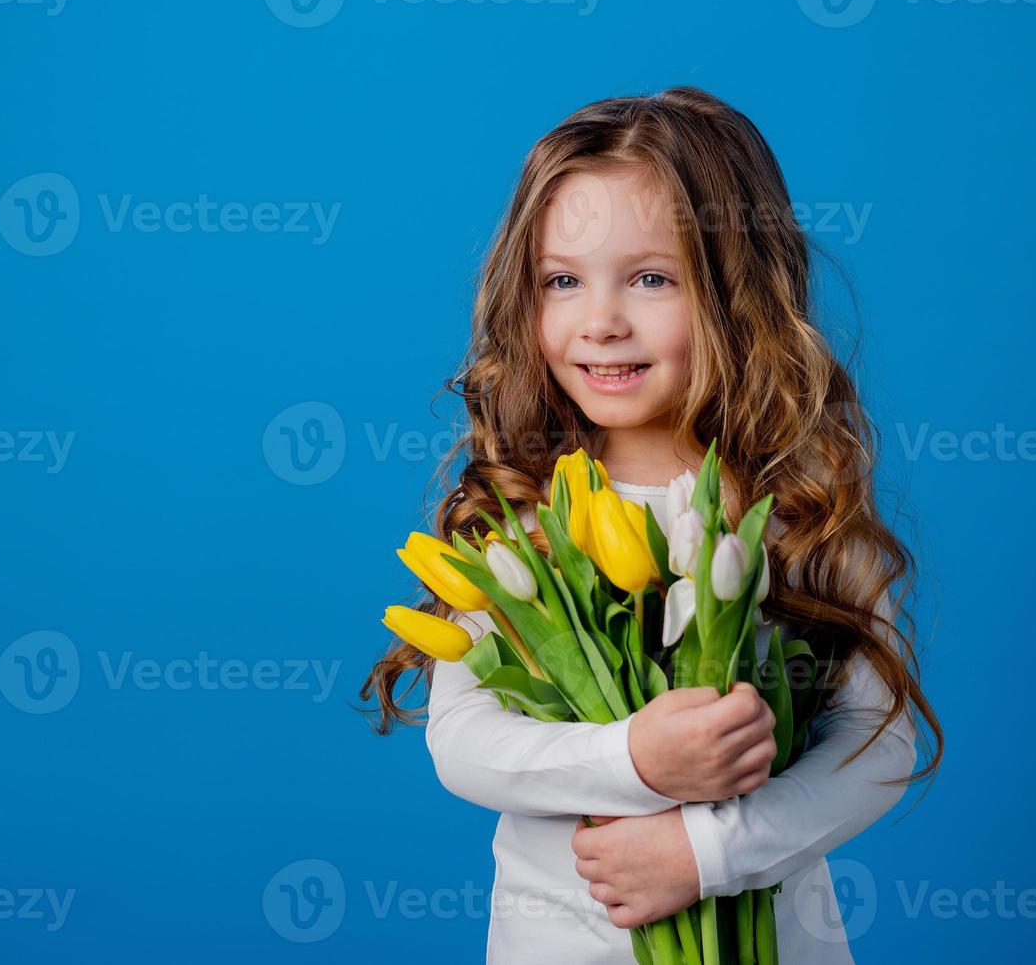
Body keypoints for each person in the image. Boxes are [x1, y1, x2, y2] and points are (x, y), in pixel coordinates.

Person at [362, 85, 942, 964]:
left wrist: (708, 855)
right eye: (563, 281)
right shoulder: (522, 519)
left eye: (651, 279)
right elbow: (463, 743)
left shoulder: (798, 511)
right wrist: (635, 761)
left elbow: (876, 747)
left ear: (738, 292)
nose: (601, 322)